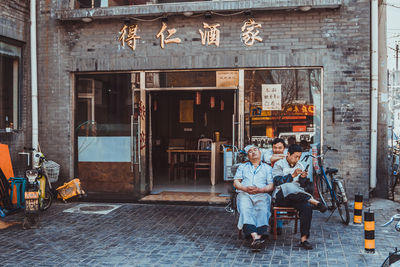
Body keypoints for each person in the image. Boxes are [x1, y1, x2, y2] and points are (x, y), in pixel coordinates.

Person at [272, 144, 327, 250]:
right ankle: (314, 201)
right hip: (282, 196)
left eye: (299, 157)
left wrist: (302, 178)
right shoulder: (279, 164)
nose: (297, 159)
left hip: (297, 197)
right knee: (288, 186)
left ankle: (304, 239)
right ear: (288, 154)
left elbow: (302, 186)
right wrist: (292, 176)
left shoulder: (300, 165)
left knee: (306, 207)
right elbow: (276, 181)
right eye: (296, 156)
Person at [234, 144, 274, 252]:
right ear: (248, 156)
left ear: (260, 153)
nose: (253, 152)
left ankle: (256, 238)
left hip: (261, 193)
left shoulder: (268, 168)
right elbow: (236, 182)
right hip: (245, 193)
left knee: (263, 210)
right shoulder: (242, 166)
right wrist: (244, 188)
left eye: (255, 150)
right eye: (250, 151)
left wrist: (261, 190)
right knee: (245, 209)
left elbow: (271, 185)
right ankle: (256, 237)